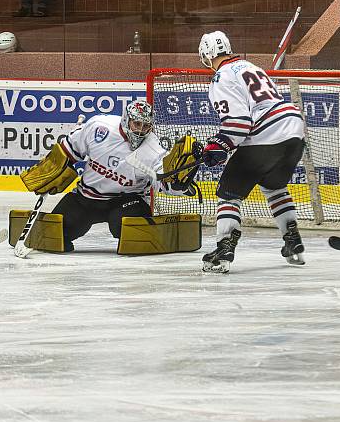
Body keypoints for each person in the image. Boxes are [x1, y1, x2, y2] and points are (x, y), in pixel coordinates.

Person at [196, 31, 307, 273]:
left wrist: (220, 145)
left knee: (229, 193)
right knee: (274, 186)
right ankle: (293, 241)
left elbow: (238, 122)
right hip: (294, 131)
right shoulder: (251, 66)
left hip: (268, 132)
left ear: (206, 54)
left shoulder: (221, 77)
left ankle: (224, 248)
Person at [22, 101, 196, 251]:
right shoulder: (99, 126)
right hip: (86, 198)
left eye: (146, 126)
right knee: (57, 234)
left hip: (127, 201)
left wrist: (180, 186)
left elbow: (163, 182)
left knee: (132, 234)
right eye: (137, 124)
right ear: (127, 120)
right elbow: (69, 150)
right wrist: (54, 168)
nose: (141, 131)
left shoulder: (153, 150)